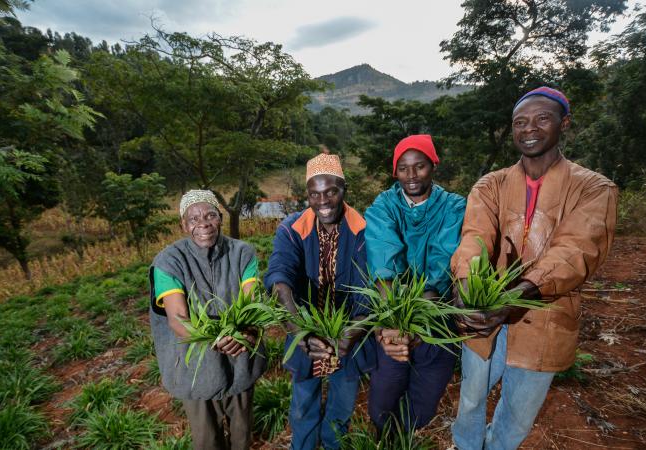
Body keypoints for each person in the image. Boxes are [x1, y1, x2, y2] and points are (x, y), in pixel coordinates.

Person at [450, 87, 618, 450]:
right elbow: (475, 236)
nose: (530, 129)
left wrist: (519, 294)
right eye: (520, 122)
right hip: (485, 314)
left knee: (517, 414)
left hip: (546, 317)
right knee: (471, 399)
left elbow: (575, 252)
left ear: (564, 124)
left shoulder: (594, 188)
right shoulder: (491, 184)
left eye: (542, 119)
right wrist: (465, 284)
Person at [264, 152, 375, 450]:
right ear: (308, 195)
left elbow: (370, 286)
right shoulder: (291, 228)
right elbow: (279, 275)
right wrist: (298, 328)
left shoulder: (364, 230)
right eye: (314, 194)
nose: (323, 201)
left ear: (343, 190)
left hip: (349, 333)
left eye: (330, 192)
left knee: (341, 405)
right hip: (306, 331)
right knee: (303, 404)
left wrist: (352, 332)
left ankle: (333, 443)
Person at [364, 134, 466, 433]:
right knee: (385, 392)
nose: (411, 176)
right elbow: (384, 261)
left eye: (419, 166)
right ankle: (383, 435)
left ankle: (406, 436)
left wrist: (419, 319)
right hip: (394, 316)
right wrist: (394, 324)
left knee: (423, 402)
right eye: (403, 168)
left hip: (437, 316)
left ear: (433, 165)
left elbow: (443, 259)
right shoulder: (384, 205)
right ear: (395, 171)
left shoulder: (453, 206)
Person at [149, 189, 265, 450]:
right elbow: (179, 321)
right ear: (183, 224)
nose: (203, 224)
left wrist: (248, 331)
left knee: (241, 436)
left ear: (220, 218)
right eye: (193, 219)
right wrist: (219, 338)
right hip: (196, 369)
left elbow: (252, 303)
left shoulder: (242, 253)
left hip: (240, 359)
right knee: (207, 441)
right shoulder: (168, 261)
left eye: (210, 215)